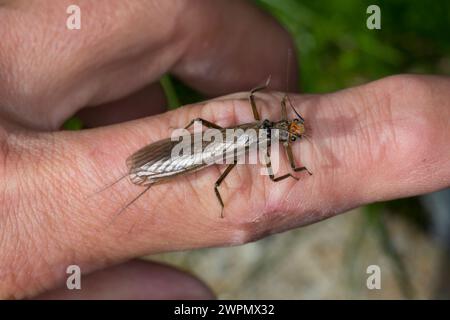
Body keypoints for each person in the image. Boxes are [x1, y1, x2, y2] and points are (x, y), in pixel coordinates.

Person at [0, 1, 449, 299]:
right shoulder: (270, 130)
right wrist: (292, 172)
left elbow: (267, 139)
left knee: (206, 143)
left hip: (212, 144)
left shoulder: (268, 122)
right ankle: (152, 178)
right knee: (210, 159)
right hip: (206, 148)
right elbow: (274, 173)